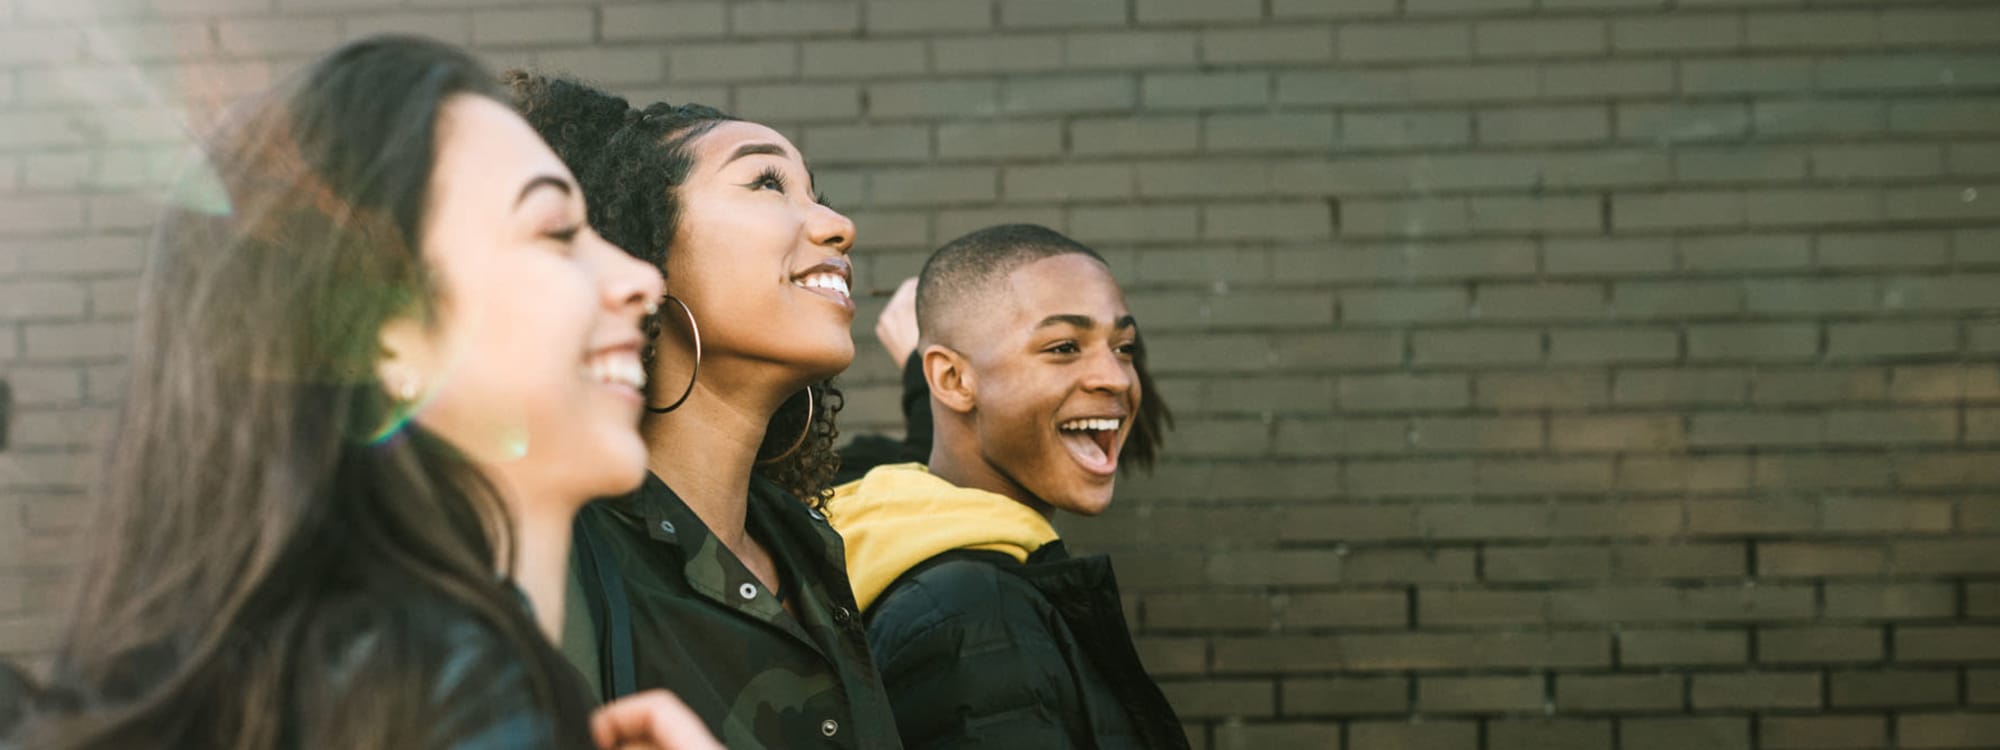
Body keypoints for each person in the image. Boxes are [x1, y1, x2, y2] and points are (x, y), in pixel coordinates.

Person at [1, 36, 717, 750]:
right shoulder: (445, 694)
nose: (640, 280)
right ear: (381, 330)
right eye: (557, 232)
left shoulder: (316, 689)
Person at [506, 74, 902, 749]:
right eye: (767, 184)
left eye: (819, 197)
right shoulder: (551, 555)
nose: (839, 227)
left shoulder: (809, 551)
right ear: (639, 243)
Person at [826, 224, 1189, 749]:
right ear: (952, 380)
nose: (1115, 377)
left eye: (1124, 347)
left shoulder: (951, 580)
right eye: (1065, 346)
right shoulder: (970, 613)